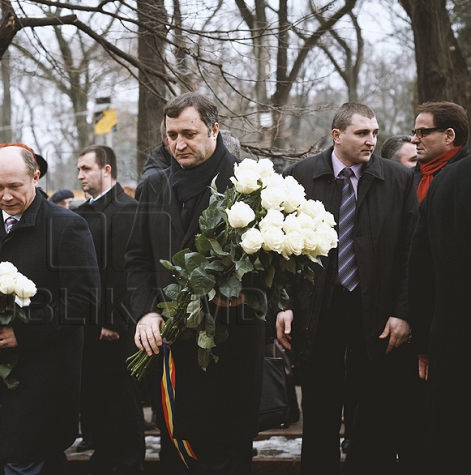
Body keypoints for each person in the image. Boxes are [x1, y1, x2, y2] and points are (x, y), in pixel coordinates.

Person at [276, 102, 420, 475]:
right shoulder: (299, 177)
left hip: (376, 313)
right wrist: (285, 304)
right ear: (336, 136)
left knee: (371, 415)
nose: (371, 140)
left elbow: (411, 253)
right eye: (362, 133)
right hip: (317, 312)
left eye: (374, 132)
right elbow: (278, 252)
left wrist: (403, 312)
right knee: (320, 412)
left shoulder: (399, 180)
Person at [126, 92, 264, 474]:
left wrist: (245, 294)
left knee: (225, 458)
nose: (178, 144)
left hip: (229, 347)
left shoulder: (248, 183)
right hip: (173, 351)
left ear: (214, 130)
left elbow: (274, 266)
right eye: (171, 135)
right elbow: (136, 260)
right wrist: (146, 313)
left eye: (189, 133)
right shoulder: (155, 186)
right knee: (177, 455)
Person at [0, 144, 100, 474]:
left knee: (25, 457)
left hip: (45, 375)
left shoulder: (67, 226)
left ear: (36, 178)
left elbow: (84, 302)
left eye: (15, 186)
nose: (5, 196)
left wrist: (24, 331)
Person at [74, 145, 145, 474]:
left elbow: (123, 272)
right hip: (87, 326)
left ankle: (127, 464)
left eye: (86, 169)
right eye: (78, 169)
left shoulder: (127, 209)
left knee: (120, 404)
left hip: (115, 328)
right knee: (94, 401)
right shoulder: (80, 213)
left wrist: (112, 321)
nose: (80, 175)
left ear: (106, 170)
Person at [408, 156, 471, 473]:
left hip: (450, 337)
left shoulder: (445, 181)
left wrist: (422, 341)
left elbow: (419, 266)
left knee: (451, 443)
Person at [410, 101, 469, 200]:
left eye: (423, 132)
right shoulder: (407, 178)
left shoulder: (466, 177)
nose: (413, 140)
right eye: (414, 132)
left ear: (449, 136)